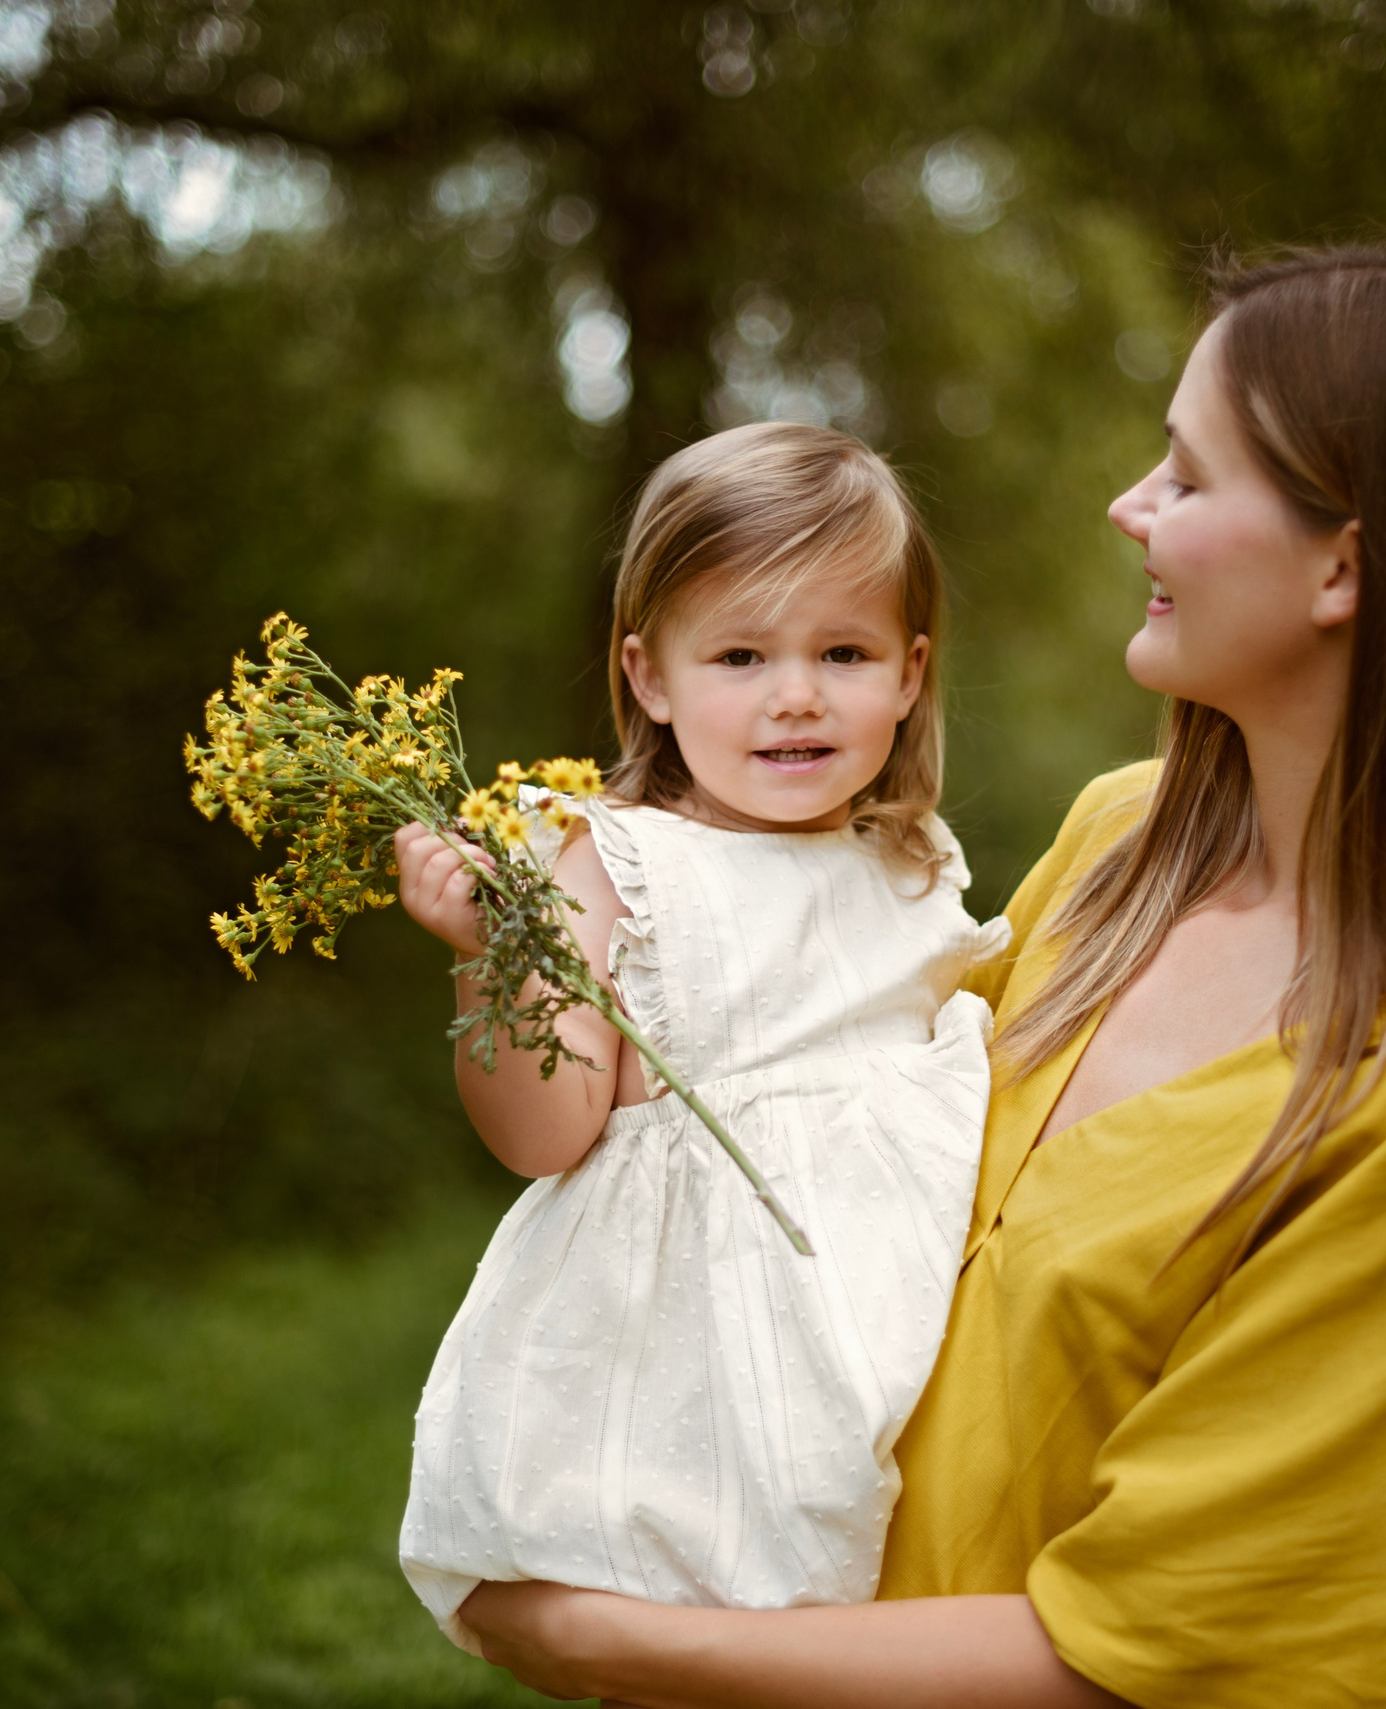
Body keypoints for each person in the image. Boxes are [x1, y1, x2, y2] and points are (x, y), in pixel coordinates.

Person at [454, 247, 1386, 1707]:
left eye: (1190, 478)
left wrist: (604, 1634)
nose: (1127, 506)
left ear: (1343, 563)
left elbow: (1150, 1657)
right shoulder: (1113, 846)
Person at [391, 422, 1011, 1652]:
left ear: (908, 671)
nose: (795, 693)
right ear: (651, 677)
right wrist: (491, 956)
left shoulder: (908, 861)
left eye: (844, 650)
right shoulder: (611, 859)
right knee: (693, 1637)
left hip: (899, 1324)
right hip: (699, 1362)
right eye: (739, 653)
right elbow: (543, 1131)